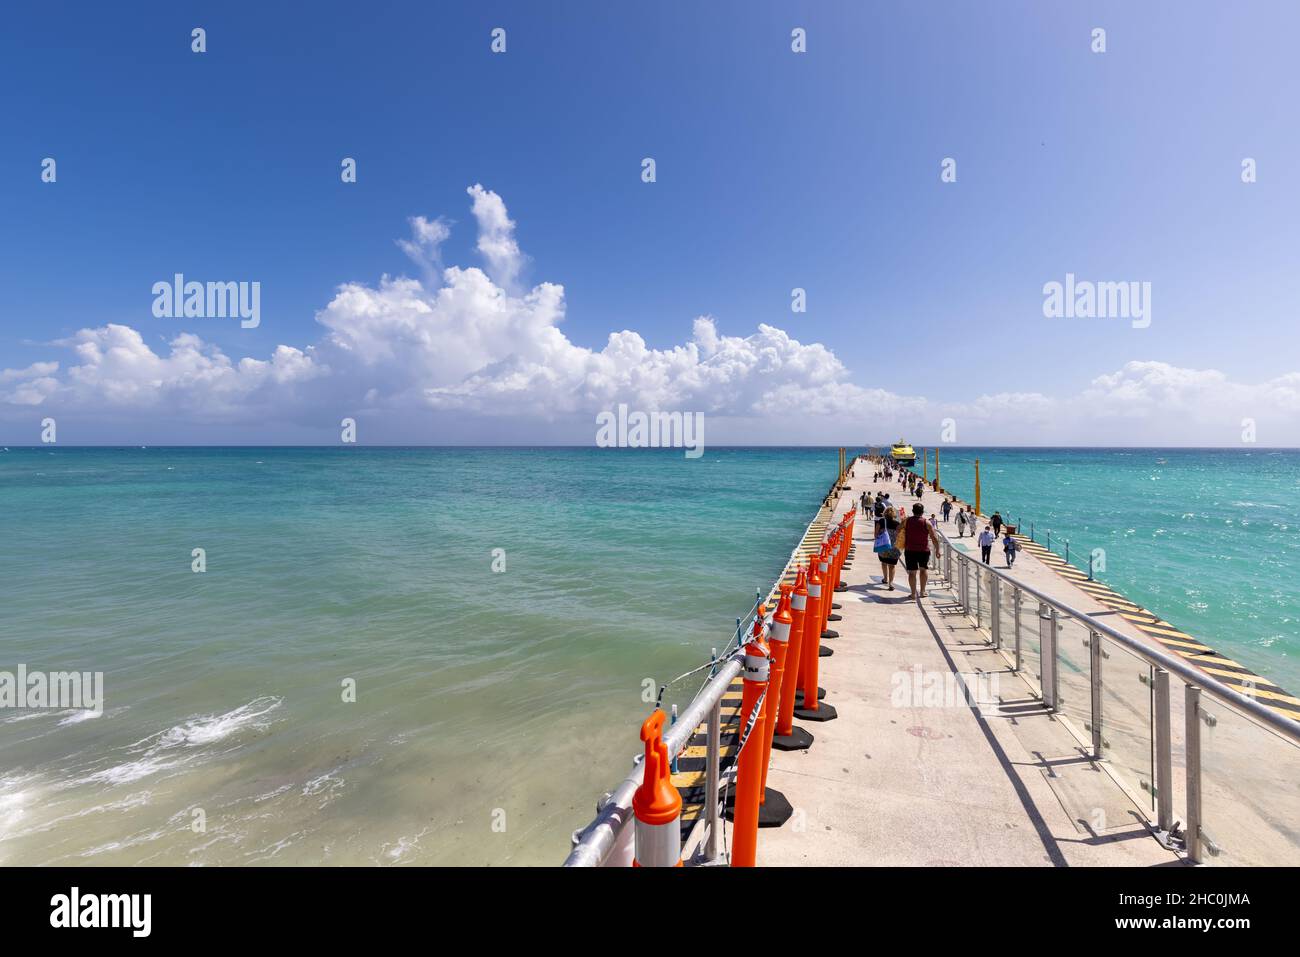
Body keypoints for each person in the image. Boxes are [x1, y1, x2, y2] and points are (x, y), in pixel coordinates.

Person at [899, 502, 941, 600]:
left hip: (910, 550)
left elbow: (898, 529)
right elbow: (934, 538)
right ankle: (922, 591)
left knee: (912, 573)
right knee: (923, 570)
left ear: (913, 511)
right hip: (923, 550)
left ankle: (913, 594)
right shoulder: (927, 522)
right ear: (922, 512)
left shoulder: (906, 521)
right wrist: (937, 550)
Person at [874, 506, 902, 591]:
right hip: (894, 548)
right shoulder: (897, 524)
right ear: (893, 514)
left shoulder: (881, 521)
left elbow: (876, 534)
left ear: (885, 513)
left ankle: (885, 579)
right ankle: (891, 583)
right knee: (892, 565)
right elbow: (899, 537)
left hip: (883, 546)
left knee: (883, 562)